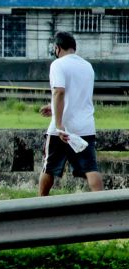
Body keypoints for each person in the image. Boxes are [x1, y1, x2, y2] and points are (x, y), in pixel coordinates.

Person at [38, 31, 103, 196]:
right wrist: (52, 106)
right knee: (90, 168)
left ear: (57, 48)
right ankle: (103, 202)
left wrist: (59, 125)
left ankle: (40, 202)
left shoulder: (58, 64)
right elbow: (76, 96)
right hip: (85, 126)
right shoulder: (87, 66)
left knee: (49, 167)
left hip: (62, 128)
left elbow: (59, 92)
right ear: (74, 48)